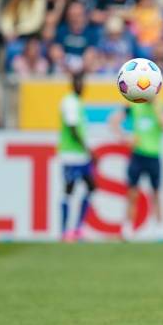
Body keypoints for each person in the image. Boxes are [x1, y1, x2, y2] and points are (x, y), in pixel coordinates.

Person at [109, 101, 163, 239]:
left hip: (154, 155)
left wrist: (157, 108)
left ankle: (161, 228)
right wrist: (124, 137)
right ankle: (128, 228)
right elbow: (113, 121)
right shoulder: (134, 105)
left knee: (155, 194)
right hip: (137, 155)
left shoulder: (161, 106)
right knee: (132, 193)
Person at [58, 71, 95, 242]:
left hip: (81, 156)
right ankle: (65, 232)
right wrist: (87, 148)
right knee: (69, 191)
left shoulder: (79, 102)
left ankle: (78, 229)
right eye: (78, 82)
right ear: (73, 83)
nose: (81, 85)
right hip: (71, 155)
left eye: (83, 82)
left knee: (91, 187)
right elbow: (72, 129)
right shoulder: (70, 102)